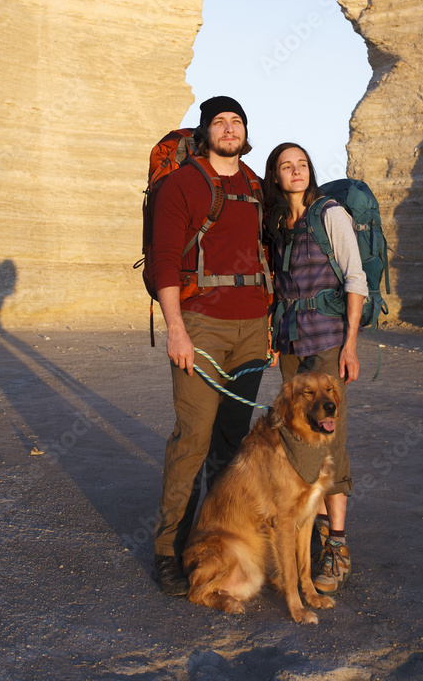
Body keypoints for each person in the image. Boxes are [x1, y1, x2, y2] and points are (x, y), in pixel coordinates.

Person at [151, 96, 273, 596]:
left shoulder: (257, 187)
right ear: (205, 133)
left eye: (237, 121)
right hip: (200, 326)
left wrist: (269, 323)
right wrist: (175, 329)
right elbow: (162, 259)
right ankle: (166, 551)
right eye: (219, 122)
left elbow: (272, 252)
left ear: (245, 133)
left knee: (232, 444)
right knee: (192, 440)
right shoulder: (183, 183)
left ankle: (217, 542)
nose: (229, 128)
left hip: (252, 327)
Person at [263, 142, 367, 596]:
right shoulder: (277, 225)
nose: (296, 171)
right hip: (290, 345)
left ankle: (336, 546)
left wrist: (351, 344)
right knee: (297, 444)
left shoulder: (330, 215)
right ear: (276, 176)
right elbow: (277, 286)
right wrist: (271, 333)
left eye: (302, 164)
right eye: (286, 166)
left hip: (327, 345)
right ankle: (310, 537)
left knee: (331, 441)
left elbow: (355, 277)